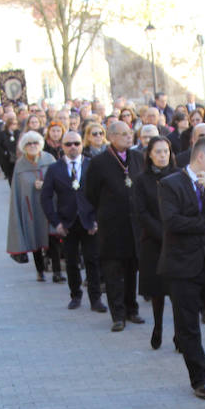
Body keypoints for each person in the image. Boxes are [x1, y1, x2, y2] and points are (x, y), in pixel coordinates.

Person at [158, 137, 205, 398]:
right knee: (188, 325)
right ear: (200, 157)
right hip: (182, 266)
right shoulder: (170, 184)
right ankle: (199, 378)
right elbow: (173, 223)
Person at [84, 120, 145, 332]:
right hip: (111, 226)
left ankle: (132, 309)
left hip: (133, 226)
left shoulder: (137, 158)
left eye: (130, 133)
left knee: (131, 271)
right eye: (123, 134)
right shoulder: (99, 162)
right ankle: (117, 315)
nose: (129, 137)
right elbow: (90, 192)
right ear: (111, 137)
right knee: (113, 272)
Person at [40, 130, 105, 312]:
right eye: (68, 144)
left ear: (82, 144)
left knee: (92, 261)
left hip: (89, 221)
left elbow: (103, 194)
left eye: (76, 143)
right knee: (71, 261)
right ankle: (75, 295)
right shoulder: (55, 169)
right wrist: (55, 222)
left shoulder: (92, 165)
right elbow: (45, 197)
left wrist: (98, 220)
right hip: (66, 222)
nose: (73, 147)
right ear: (62, 147)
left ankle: (95, 298)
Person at [133, 136, 175, 349]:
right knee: (158, 290)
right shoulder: (141, 180)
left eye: (165, 151)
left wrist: (173, 233)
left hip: (177, 240)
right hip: (153, 240)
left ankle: (180, 334)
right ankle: (157, 327)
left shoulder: (179, 176)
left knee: (178, 290)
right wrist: (161, 233)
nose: (162, 155)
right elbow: (141, 212)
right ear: (149, 154)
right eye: (157, 152)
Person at [7, 131, 60, 282]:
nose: (32, 146)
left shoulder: (49, 159)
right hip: (31, 209)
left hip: (49, 206)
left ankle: (57, 271)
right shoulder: (20, 164)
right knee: (35, 239)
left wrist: (46, 185)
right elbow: (17, 188)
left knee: (53, 240)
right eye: (29, 144)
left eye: (35, 143)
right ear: (24, 146)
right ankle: (40, 271)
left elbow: (58, 180)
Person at [0, 115, 20, 184]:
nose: (15, 126)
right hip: (7, 158)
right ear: (9, 124)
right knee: (10, 175)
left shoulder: (18, 133)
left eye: (16, 124)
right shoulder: (3, 134)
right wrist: (4, 152)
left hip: (17, 156)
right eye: (13, 124)